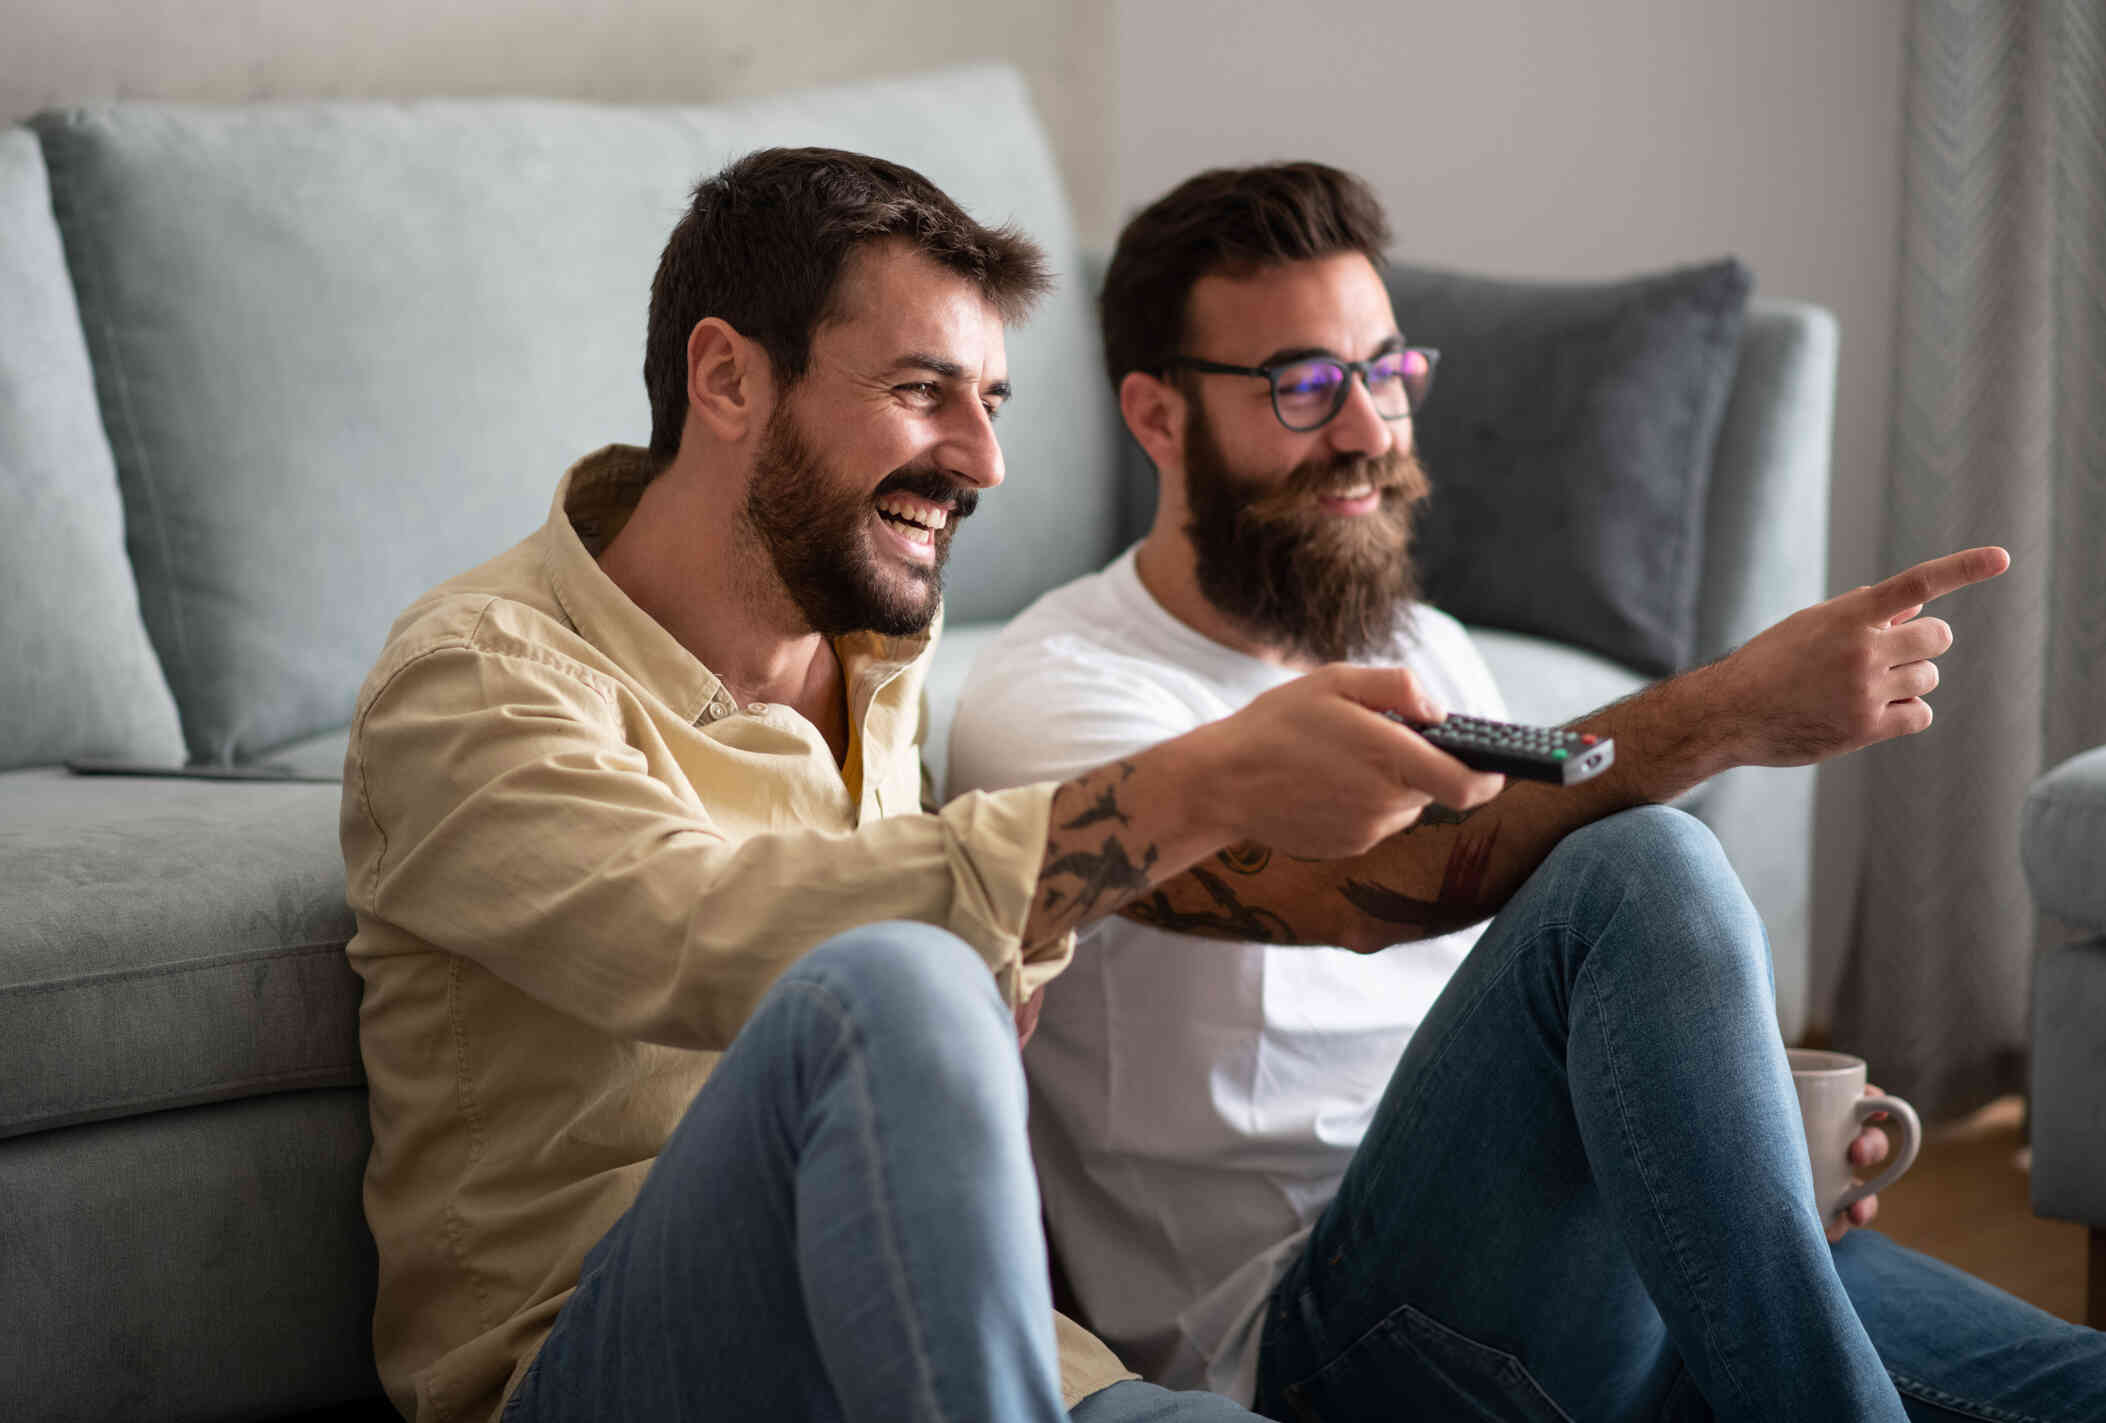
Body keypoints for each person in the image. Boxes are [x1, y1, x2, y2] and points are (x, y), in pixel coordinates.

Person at [340, 147, 1513, 1423]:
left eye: (993, 401)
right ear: (728, 378)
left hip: (1000, 1355)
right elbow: (706, 933)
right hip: (616, 1364)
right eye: (923, 391)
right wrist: (1202, 786)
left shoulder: (881, 665)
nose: (985, 461)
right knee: (886, 979)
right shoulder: (474, 678)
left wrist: (999, 973)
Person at [948, 161, 2106, 1421]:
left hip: (1577, 1268)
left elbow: (1528, 989)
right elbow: (1348, 890)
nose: (1367, 431)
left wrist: (1742, 1149)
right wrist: (1726, 712)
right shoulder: (1059, 698)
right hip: (1321, 1329)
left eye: (1388, 372)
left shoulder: (1424, 647)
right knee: (1639, 863)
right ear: (1158, 416)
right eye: (1304, 386)